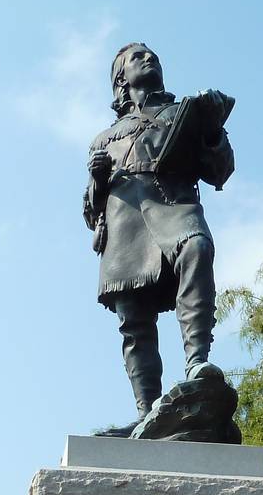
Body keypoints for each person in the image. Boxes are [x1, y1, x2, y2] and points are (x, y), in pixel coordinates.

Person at [84, 43, 234, 425]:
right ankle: (145, 412)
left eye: (152, 55)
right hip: (124, 223)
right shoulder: (104, 138)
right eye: (137, 57)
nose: (149, 58)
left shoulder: (181, 114)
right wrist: (98, 180)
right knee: (134, 320)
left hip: (174, 204)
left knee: (197, 247)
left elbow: (219, 171)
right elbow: (89, 211)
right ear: (121, 78)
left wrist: (214, 128)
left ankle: (198, 361)